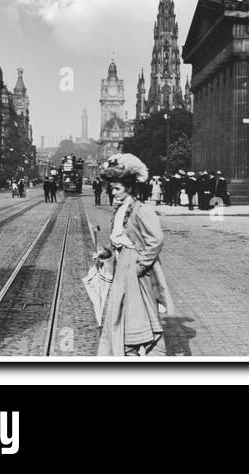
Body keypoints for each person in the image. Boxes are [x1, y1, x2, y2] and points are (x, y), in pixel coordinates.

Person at [94, 153, 171, 357]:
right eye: (112, 188)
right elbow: (117, 240)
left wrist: (140, 266)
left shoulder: (140, 210)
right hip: (122, 269)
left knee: (137, 316)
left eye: (117, 188)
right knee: (121, 314)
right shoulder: (120, 210)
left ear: (129, 188)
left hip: (135, 271)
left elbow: (155, 239)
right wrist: (106, 252)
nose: (114, 192)